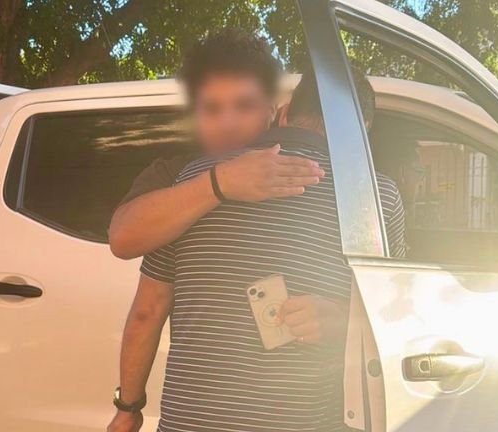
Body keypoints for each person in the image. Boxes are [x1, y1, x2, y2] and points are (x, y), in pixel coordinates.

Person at [107, 61, 406, 431]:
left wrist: (128, 408)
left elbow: (147, 311)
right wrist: (345, 321)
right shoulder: (377, 197)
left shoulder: (189, 182)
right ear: (362, 135)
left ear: (283, 114)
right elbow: (392, 318)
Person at [109, 30, 325, 260]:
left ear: (271, 110)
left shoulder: (301, 169)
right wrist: (220, 182)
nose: (227, 124)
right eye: (212, 109)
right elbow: (122, 239)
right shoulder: (172, 172)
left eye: (244, 105)